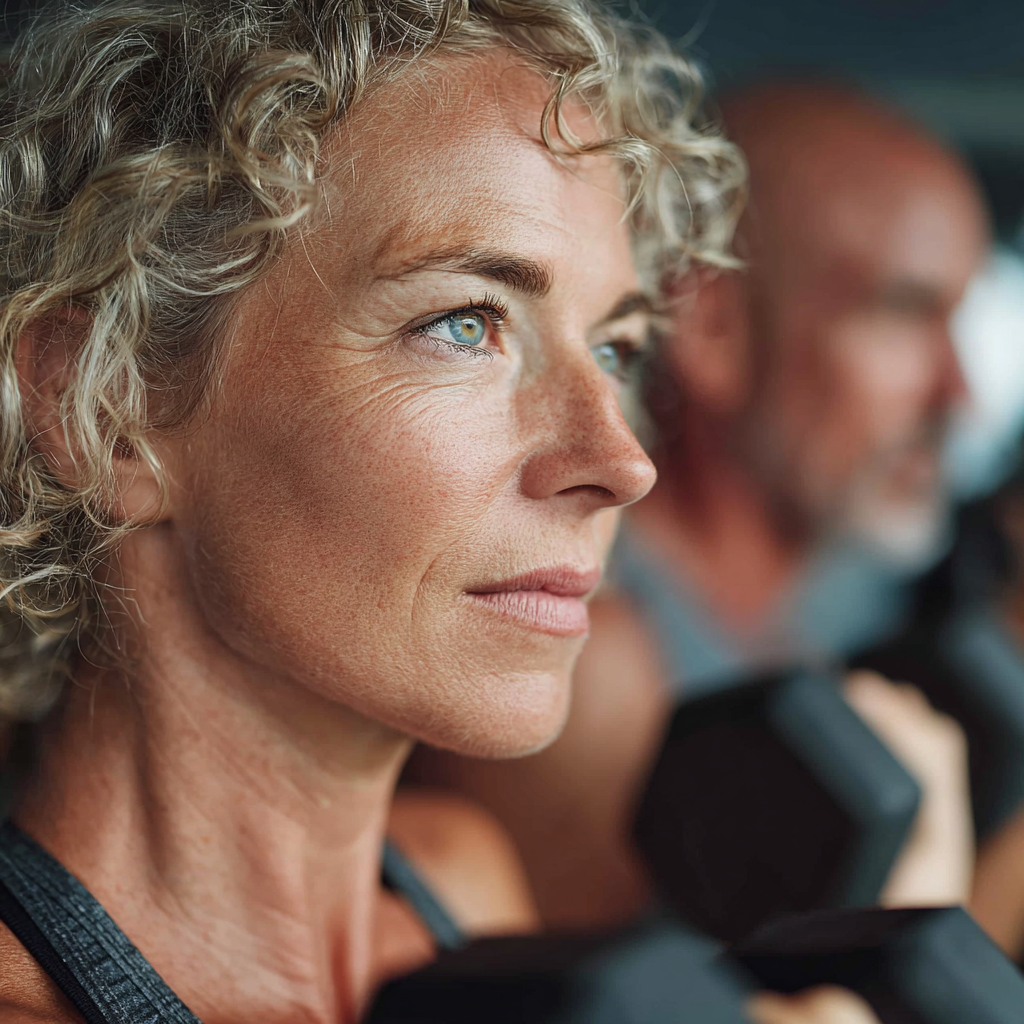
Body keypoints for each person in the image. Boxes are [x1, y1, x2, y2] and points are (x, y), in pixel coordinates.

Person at [0, 2, 879, 1022]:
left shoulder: (459, 887)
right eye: (466, 323)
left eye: (614, 349)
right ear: (105, 406)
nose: (622, 462)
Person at [408, 82, 986, 929]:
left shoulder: (854, 598)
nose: (957, 394)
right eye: (901, 312)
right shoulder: (584, 665)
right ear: (715, 328)